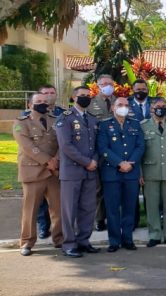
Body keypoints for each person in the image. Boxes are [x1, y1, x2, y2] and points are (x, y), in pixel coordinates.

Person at [56, 86, 102, 258]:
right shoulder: (65, 118)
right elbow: (66, 146)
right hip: (72, 172)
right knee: (69, 209)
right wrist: (87, 162)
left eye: (88, 96)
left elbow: (97, 144)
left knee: (88, 208)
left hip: (90, 172)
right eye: (82, 95)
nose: (85, 98)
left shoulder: (92, 119)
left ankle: (84, 241)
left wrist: (95, 160)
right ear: (74, 98)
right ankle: (68, 244)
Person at [14, 93, 63, 256]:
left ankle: (59, 239)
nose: (43, 103)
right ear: (29, 105)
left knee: (58, 208)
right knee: (31, 209)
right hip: (33, 171)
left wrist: (55, 159)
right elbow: (27, 146)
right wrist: (47, 160)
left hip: (53, 172)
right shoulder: (21, 123)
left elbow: (61, 142)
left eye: (44, 101)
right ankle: (27, 242)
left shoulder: (55, 120)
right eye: (38, 102)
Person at [97, 97, 146, 252]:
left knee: (129, 207)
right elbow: (103, 148)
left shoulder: (135, 124)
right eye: (120, 105)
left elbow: (141, 146)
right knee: (112, 209)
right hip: (112, 173)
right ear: (113, 107)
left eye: (126, 105)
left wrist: (130, 162)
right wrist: (119, 163)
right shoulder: (104, 125)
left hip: (131, 173)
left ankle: (127, 239)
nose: (123, 107)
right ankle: (114, 240)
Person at [140, 98, 166, 247]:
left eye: (163, 106)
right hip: (150, 171)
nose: (160, 108)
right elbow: (140, 151)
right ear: (151, 108)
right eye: (157, 106)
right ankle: (154, 235)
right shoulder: (143, 126)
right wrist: (140, 173)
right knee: (151, 205)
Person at [87, 74, 115, 232]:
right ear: (98, 86)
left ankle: (113, 217)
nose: (107, 86)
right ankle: (99, 219)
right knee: (98, 188)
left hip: (117, 151)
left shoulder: (119, 102)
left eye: (110, 83)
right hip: (98, 151)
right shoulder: (91, 104)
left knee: (114, 187)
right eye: (104, 84)